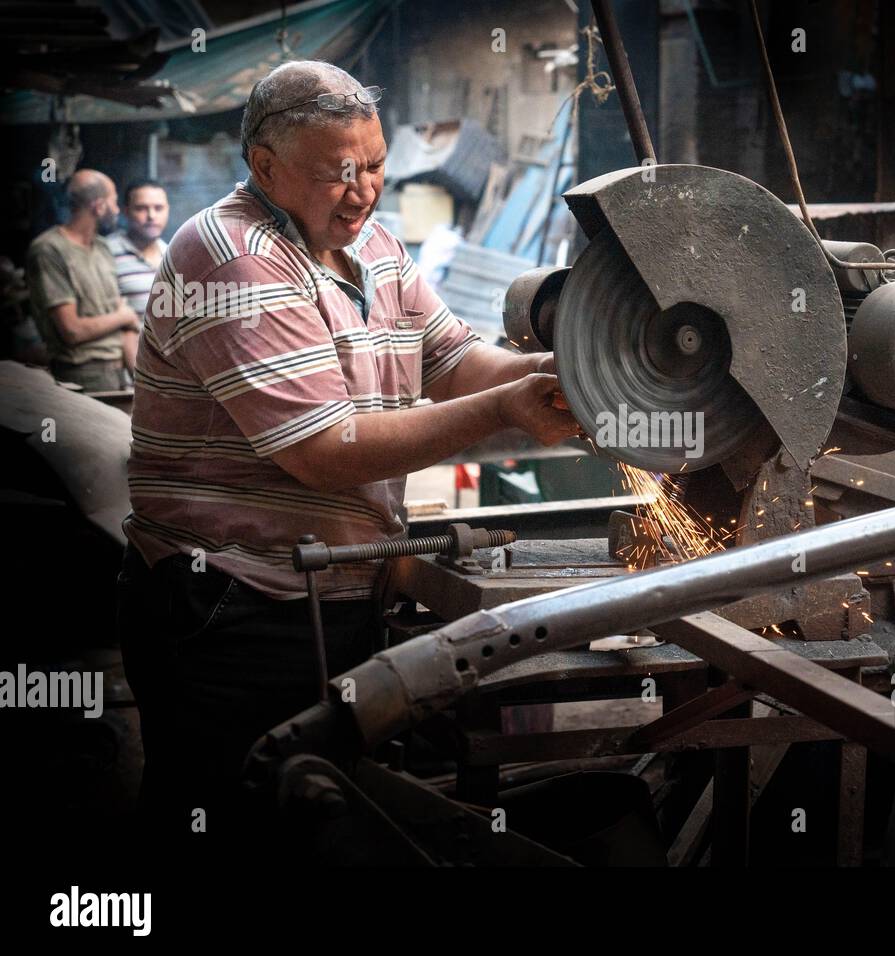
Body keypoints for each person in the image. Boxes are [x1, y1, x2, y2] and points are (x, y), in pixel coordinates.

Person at [117, 60, 579, 860]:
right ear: (265, 166)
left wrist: (557, 376)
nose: (363, 190)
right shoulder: (231, 257)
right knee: (224, 820)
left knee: (317, 821)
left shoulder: (375, 246)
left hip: (329, 585)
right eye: (339, 174)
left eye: (374, 168)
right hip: (231, 604)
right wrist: (504, 410)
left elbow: (457, 359)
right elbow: (324, 450)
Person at [25, 170, 140, 390]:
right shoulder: (49, 250)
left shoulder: (102, 247)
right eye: (114, 202)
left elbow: (122, 320)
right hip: (80, 376)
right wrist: (123, 316)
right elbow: (72, 331)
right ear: (99, 206)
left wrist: (138, 380)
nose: (117, 210)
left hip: (117, 374)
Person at [106, 179, 170, 372]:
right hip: (123, 373)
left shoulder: (172, 255)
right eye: (141, 208)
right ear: (126, 211)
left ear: (168, 209)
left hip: (165, 373)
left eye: (158, 208)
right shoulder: (106, 253)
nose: (151, 216)